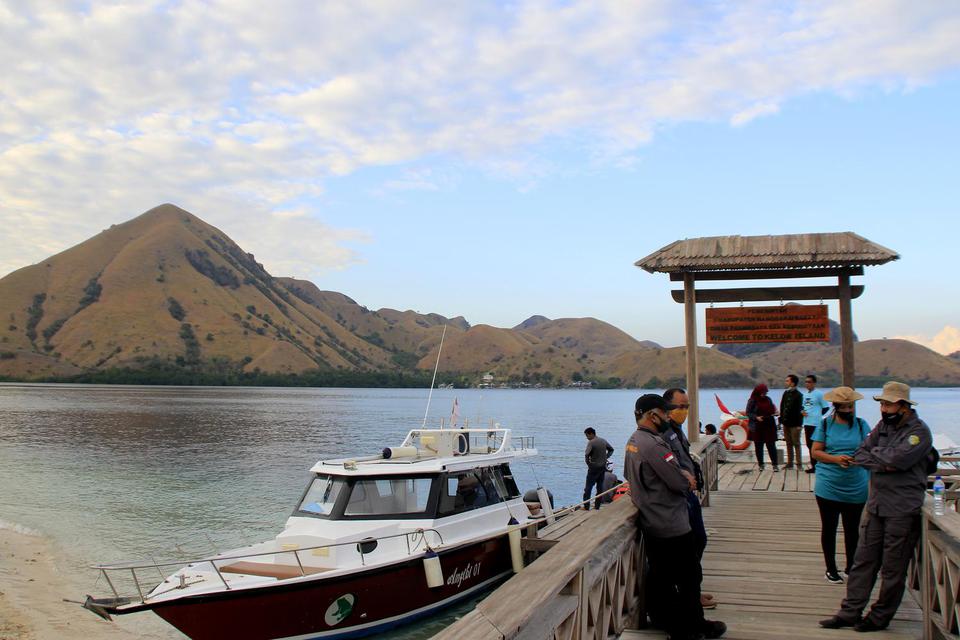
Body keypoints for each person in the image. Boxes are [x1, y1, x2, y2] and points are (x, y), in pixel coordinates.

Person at [820, 381, 934, 633]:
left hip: (902, 508)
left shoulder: (919, 431)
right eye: (882, 403)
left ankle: (879, 616)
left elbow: (899, 460)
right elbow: (861, 454)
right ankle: (850, 611)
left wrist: (880, 458)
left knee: (893, 568)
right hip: (876, 506)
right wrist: (885, 459)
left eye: (889, 403)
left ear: (904, 406)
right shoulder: (882, 426)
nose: (884, 408)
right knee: (863, 561)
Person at [624, 394, 726, 640]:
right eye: (665, 413)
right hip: (670, 523)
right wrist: (686, 478)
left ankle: (680, 624)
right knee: (687, 578)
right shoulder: (654, 445)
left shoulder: (633, 442)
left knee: (663, 578)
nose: (669, 417)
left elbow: (629, 476)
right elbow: (679, 482)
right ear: (652, 415)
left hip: (653, 519)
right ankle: (690, 628)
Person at [662, 388, 717, 609]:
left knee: (698, 541)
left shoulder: (677, 430)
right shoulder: (664, 433)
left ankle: (693, 590)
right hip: (680, 498)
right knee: (691, 544)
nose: (684, 411)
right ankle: (689, 594)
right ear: (667, 408)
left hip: (690, 495)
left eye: (687, 407)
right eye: (680, 407)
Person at [811, 386, 870, 584]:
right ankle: (831, 568)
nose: (848, 410)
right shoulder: (825, 425)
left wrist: (858, 459)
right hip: (829, 484)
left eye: (851, 406)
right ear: (836, 406)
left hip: (856, 484)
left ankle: (852, 567)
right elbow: (816, 452)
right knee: (829, 527)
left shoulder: (862, 426)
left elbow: (870, 450)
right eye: (844, 406)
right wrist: (836, 459)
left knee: (852, 529)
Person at [746, 383, 778, 472]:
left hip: (769, 425)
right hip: (758, 426)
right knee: (759, 446)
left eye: (765, 392)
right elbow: (748, 413)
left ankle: (775, 464)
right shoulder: (752, 400)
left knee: (771, 445)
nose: (764, 394)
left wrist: (775, 412)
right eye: (762, 392)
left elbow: (772, 409)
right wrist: (756, 417)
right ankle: (761, 464)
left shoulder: (768, 399)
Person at [801, 374, 830, 473]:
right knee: (809, 445)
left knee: (817, 445)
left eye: (809, 382)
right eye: (806, 382)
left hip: (816, 424)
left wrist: (817, 415)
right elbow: (802, 407)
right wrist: (802, 412)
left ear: (814, 383)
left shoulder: (819, 394)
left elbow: (826, 407)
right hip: (807, 422)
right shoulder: (805, 395)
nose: (807, 384)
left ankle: (820, 465)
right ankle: (814, 466)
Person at [583, 427, 614, 510]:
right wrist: (606, 457)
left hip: (593, 468)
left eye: (587, 435)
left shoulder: (591, 442)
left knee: (588, 488)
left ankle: (586, 507)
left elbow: (586, 455)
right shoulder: (603, 440)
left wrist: (589, 464)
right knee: (599, 487)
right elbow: (611, 449)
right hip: (602, 468)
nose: (587, 438)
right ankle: (597, 506)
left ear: (591, 434)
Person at [779, 374, 804, 469]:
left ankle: (799, 464)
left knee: (796, 443)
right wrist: (781, 419)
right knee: (788, 443)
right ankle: (790, 463)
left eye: (787, 381)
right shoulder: (786, 393)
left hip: (795, 424)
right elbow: (782, 406)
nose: (786, 382)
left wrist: (799, 424)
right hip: (786, 422)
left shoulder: (799, 395)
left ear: (793, 383)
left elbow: (800, 410)